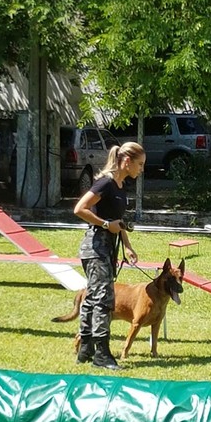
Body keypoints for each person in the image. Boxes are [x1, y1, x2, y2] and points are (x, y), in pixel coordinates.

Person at [73, 142, 146, 370]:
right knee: (104, 301)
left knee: (93, 297)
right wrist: (105, 224)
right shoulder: (105, 183)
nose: (141, 169)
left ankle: (85, 349)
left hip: (107, 248)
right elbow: (79, 209)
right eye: (140, 164)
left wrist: (127, 245)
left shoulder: (120, 186)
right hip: (95, 249)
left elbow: (119, 222)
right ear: (127, 161)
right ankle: (102, 354)